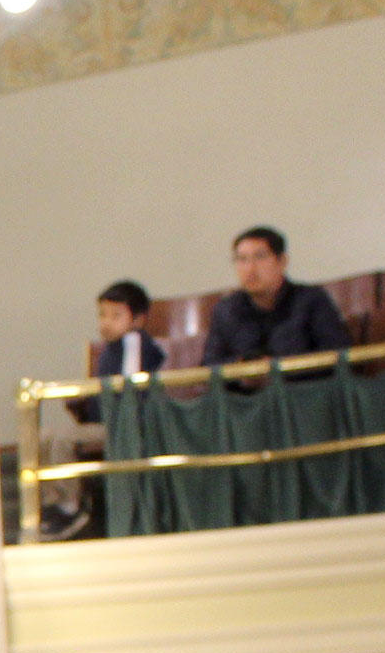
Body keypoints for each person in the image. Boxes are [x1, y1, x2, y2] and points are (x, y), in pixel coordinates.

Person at [46, 281, 180, 537]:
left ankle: (71, 507)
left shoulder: (134, 342)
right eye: (102, 315)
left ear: (137, 320)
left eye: (115, 316)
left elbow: (128, 388)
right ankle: (53, 503)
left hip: (125, 428)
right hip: (103, 422)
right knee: (43, 436)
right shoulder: (110, 349)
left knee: (63, 439)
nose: (106, 322)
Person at [203, 226, 353, 370]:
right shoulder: (226, 310)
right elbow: (210, 365)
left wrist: (277, 370)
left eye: (259, 257)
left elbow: (338, 355)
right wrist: (242, 369)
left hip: (302, 390)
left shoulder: (311, 300)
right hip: (245, 394)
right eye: (242, 259)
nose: (249, 268)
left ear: (282, 261)